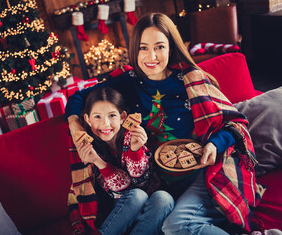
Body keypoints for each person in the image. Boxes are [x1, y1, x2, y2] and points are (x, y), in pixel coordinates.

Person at [66, 12, 265, 234]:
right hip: (162, 183)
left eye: (159, 47)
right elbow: (78, 97)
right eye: (143, 48)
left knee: (177, 226)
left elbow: (235, 122)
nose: (151, 56)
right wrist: (75, 125)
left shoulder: (192, 81)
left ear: (171, 47)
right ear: (135, 50)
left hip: (204, 171)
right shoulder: (128, 83)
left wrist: (214, 144)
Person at [68, 87, 174, 235]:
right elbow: (122, 193)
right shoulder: (89, 147)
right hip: (119, 207)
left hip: (151, 202)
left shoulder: (133, 135)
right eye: (97, 117)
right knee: (137, 196)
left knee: (164, 198)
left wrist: (135, 150)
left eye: (112, 115)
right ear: (87, 119)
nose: (105, 124)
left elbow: (142, 182)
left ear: (123, 117)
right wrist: (98, 161)